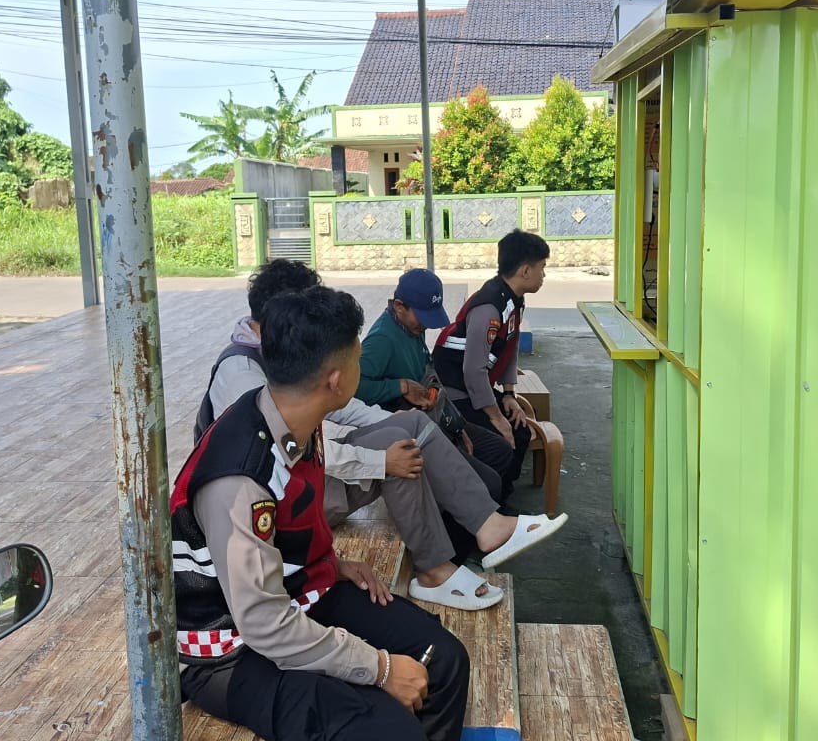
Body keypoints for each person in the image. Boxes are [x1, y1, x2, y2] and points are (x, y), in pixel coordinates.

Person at [173, 287, 468, 740]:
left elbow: (286, 533)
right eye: (358, 357)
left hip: (295, 592)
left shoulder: (293, 418)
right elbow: (263, 623)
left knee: (443, 659)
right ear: (336, 379)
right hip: (228, 649)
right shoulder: (240, 479)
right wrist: (380, 668)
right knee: (385, 727)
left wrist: (332, 563)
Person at [196, 260, 566, 611]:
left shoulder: (287, 353)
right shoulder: (242, 374)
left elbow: (343, 408)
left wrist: (397, 420)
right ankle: (435, 569)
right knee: (395, 454)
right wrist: (378, 459)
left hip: (310, 477)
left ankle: (488, 526)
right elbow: (285, 456)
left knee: (411, 427)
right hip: (280, 504)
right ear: (282, 317)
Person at [358, 268, 559, 559]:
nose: (424, 327)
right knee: (487, 481)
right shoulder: (382, 340)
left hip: (438, 416)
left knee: (501, 451)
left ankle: (489, 524)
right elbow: (356, 388)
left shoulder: (410, 329)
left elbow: (432, 378)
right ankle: (459, 555)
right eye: (421, 318)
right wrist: (398, 386)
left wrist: (457, 426)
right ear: (399, 307)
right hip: (411, 429)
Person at [432, 230, 549, 500]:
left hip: (474, 388)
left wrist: (509, 395)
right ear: (525, 271)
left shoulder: (514, 299)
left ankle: (503, 497)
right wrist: (497, 418)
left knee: (520, 432)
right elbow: (472, 372)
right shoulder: (489, 308)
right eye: (542, 267)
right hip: (454, 392)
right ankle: (488, 506)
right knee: (501, 441)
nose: (544, 275)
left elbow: (510, 343)